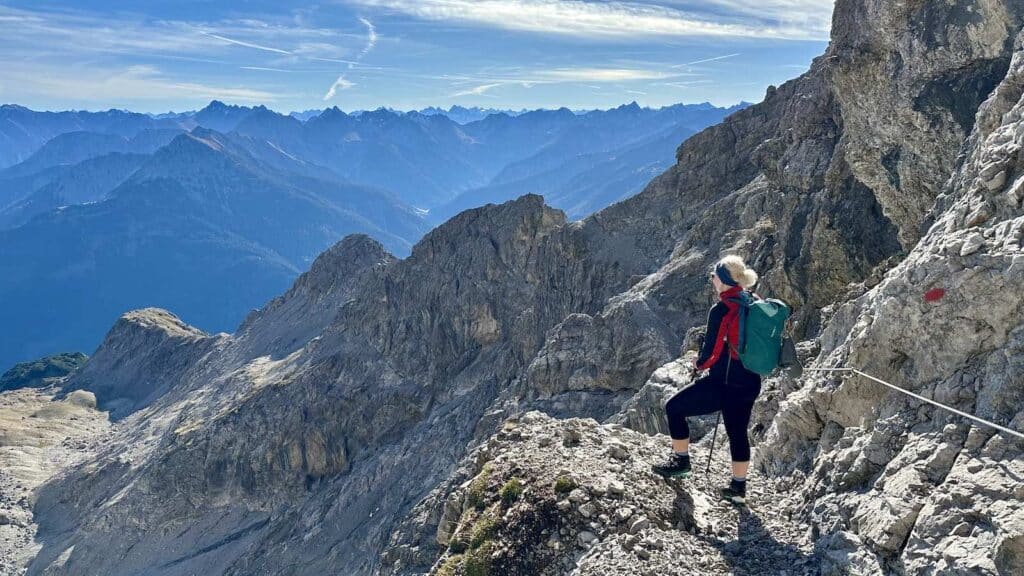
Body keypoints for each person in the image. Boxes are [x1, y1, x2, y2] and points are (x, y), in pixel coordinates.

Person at [651, 255, 762, 505]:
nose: (711, 279)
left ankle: (681, 461)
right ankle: (738, 489)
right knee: (737, 433)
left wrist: (698, 365)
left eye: (713, 275)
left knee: (674, 407)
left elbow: (711, 351)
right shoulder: (753, 301)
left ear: (722, 280)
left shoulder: (722, 308)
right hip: (750, 382)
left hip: (723, 383)